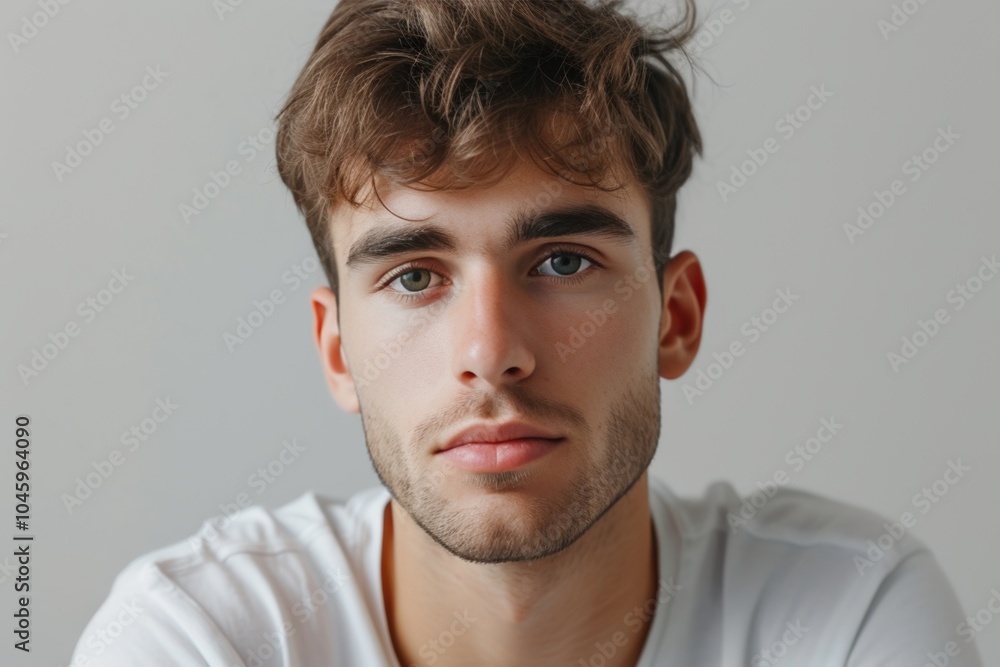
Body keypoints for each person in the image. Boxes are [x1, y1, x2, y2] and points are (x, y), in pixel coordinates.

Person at [71, 0, 981, 665]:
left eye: (561, 262)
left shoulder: (847, 614)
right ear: (339, 350)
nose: (491, 349)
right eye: (416, 275)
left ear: (677, 316)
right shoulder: (195, 636)